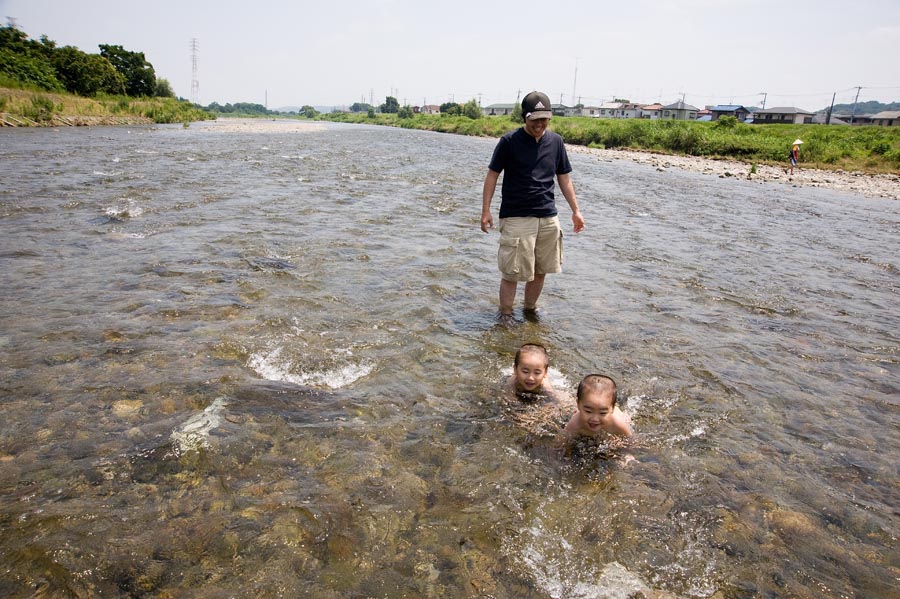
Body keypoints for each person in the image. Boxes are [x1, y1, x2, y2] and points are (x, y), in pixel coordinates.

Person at [481, 91, 585, 323]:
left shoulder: (556, 142)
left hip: (548, 216)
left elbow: (564, 178)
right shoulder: (509, 142)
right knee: (512, 273)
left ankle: (529, 309)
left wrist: (576, 211)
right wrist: (486, 210)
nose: (540, 124)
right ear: (524, 118)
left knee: (541, 270)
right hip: (516, 216)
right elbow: (492, 176)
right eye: (534, 119)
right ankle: (506, 315)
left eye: (544, 119)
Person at [563, 374, 633, 441]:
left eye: (603, 413)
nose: (594, 419)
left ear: (612, 409)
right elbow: (560, 443)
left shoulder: (617, 424)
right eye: (588, 411)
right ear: (578, 404)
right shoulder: (575, 422)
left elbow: (630, 444)